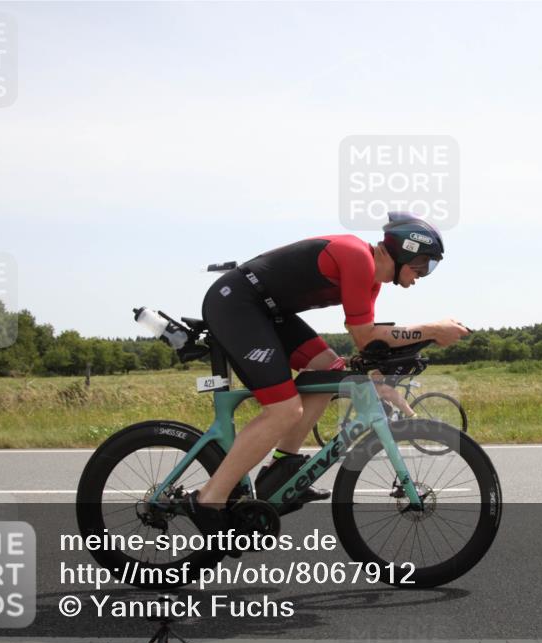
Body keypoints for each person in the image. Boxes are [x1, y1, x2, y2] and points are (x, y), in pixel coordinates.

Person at [186, 212, 469, 528]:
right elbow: (366, 335)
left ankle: (283, 469)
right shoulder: (357, 257)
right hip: (237, 304)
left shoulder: (372, 283)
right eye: (423, 265)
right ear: (406, 251)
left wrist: (380, 382)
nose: (422, 275)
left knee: (329, 372)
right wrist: (432, 329)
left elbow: (365, 345)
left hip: (266, 311)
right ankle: (208, 501)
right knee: (283, 410)